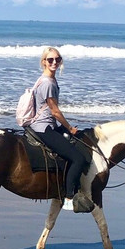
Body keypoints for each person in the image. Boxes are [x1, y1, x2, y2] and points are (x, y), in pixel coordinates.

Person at [28, 46, 94, 213]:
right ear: (44, 62)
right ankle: (68, 197)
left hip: (47, 125)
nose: (54, 62)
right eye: (50, 59)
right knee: (78, 158)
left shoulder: (46, 79)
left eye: (57, 59)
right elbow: (55, 112)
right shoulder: (48, 83)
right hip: (43, 128)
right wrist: (70, 128)